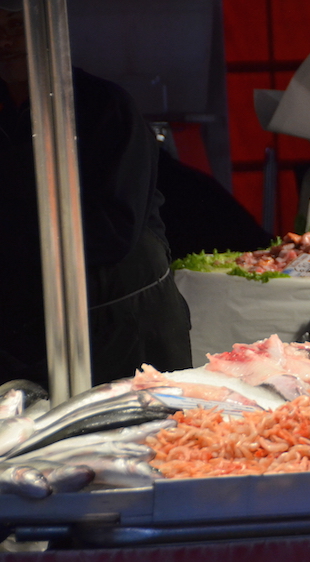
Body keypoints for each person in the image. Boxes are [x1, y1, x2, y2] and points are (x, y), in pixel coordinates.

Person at [0, 3, 192, 389]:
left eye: (18, 25)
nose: (7, 40)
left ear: (48, 33)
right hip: (27, 326)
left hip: (124, 317)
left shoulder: (104, 106)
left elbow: (112, 230)